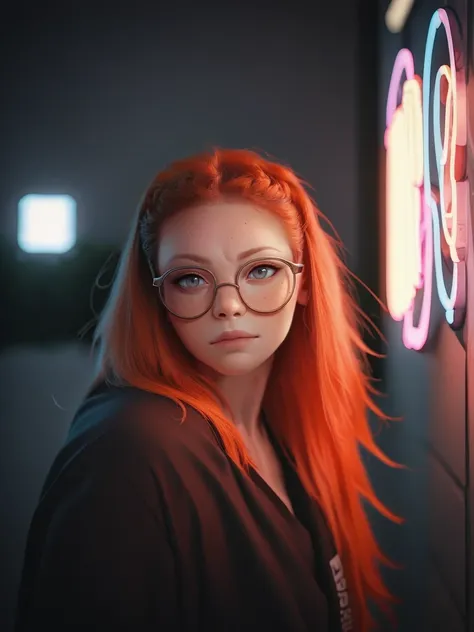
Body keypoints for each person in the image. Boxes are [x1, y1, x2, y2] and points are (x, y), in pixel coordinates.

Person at [14, 148, 400, 632]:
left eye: (261, 270)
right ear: (159, 295)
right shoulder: (129, 450)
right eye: (191, 278)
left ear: (303, 281)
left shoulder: (285, 429)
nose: (228, 306)